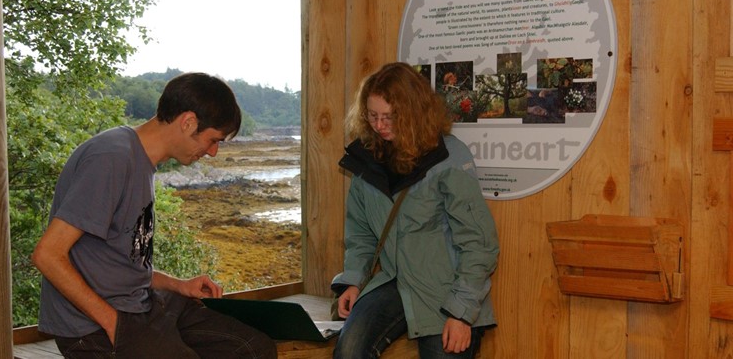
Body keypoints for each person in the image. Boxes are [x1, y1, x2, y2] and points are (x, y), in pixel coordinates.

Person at [32, 72, 277, 359]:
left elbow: (119, 265)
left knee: (253, 349)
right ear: (188, 123)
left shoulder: (143, 163)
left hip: (142, 305)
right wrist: (114, 326)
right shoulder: (111, 157)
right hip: (92, 326)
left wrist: (179, 285)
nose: (213, 153)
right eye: (213, 140)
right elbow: (47, 255)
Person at [331, 62, 500, 358]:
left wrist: (461, 314)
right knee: (348, 351)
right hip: (395, 283)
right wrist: (354, 281)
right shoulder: (366, 159)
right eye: (372, 116)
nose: (379, 126)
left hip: (447, 290)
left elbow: (479, 244)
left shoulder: (448, 155)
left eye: (389, 117)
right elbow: (361, 235)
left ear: (413, 113)